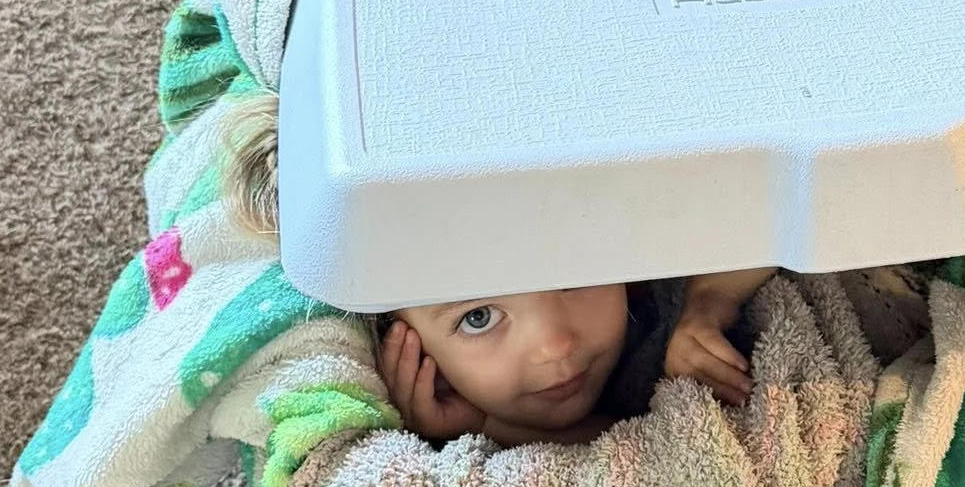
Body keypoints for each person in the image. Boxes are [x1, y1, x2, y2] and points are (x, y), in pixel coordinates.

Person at [221, 92, 774, 448]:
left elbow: (764, 209)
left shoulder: (639, 251)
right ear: (402, 334)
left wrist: (706, 306)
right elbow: (639, 457)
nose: (555, 344)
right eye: (480, 317)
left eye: (573, 272)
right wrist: (487, 431)